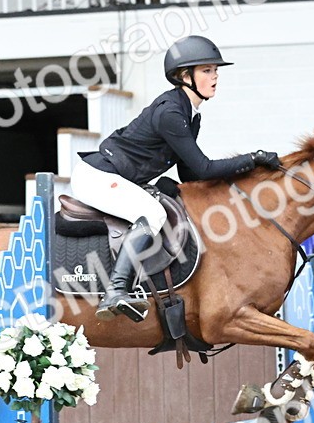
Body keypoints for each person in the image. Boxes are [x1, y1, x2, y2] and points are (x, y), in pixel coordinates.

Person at [70, 35, 280, 322]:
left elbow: (190, 173)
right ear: (185, 76)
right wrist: (251, 160)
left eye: (215, 70)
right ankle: (116, 291)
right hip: (97, 176)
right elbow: (204, 169)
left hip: (117, 176)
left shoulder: (190, 114)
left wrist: (243, 177)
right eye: (207, 71)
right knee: (152, 213)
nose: (215, 76)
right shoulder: (171, 112)